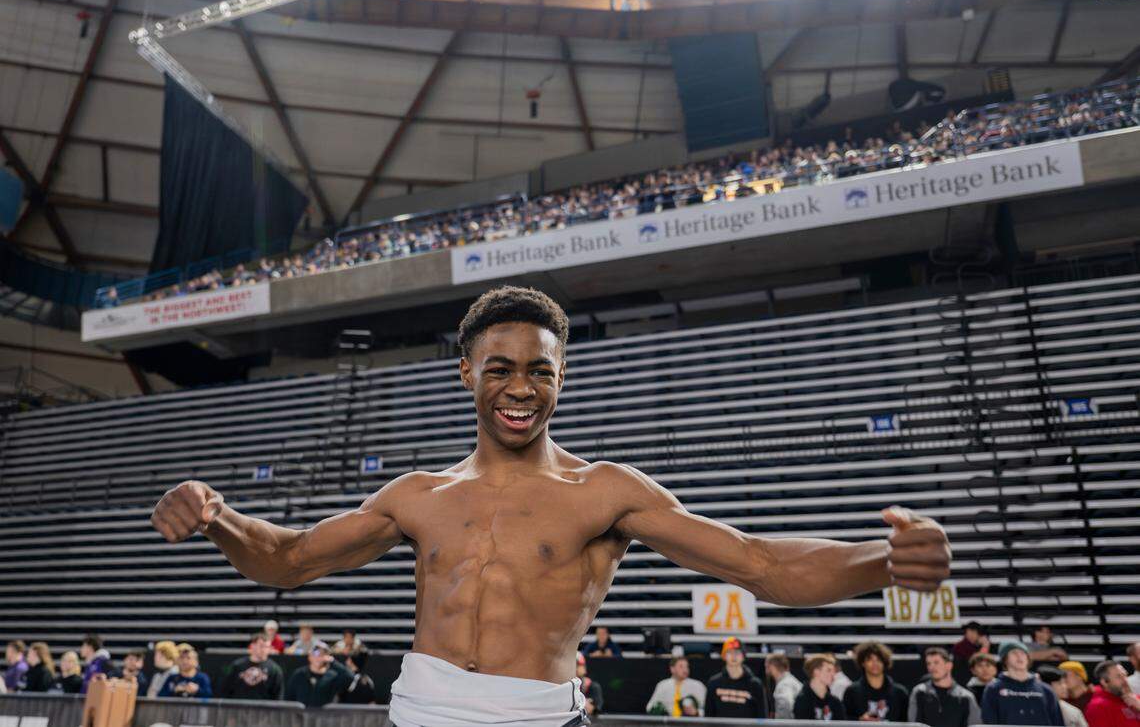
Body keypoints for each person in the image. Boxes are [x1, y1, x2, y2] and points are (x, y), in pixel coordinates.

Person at [151, 286, 952, 727]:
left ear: (561, 376)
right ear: (466, 373)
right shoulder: (417, 496)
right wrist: (219, 518)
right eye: (500, 368)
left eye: (540, 370)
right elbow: (288, 560)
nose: (521, 388)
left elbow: (761, 564)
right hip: (420, 716)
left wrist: (882, 562)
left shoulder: (604, 492)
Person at [981, 641, 1063, 726]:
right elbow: (989, 722)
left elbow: (1058, 723)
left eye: (1023, 653)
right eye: (1014, 653)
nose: (1019, 656)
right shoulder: (993, 689)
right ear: (1005, 659)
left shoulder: (1046, 690)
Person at [909, 647, 982, 727]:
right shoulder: (919, 692)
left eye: (936, 662)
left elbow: (974, 725)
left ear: (949, 665)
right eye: (928, 663)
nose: (931, 667)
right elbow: (914, 724)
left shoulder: (966, 697)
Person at [843, 640, 909, 721]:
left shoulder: (900, 693)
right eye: (870, 659)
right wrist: (860, 720)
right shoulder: (851, 691)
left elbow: (906, 721)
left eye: (879, 659)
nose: (875, 663)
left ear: (884, 662)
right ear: (863, 663)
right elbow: (845, 719)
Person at [705, 637, 768, 718]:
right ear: (724, 656)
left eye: (737, 652)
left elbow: (762, 716)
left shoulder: (755, 684)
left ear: (743, 656)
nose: (733, 656)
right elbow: (708, 715)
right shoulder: (713, 683)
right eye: (729, 652)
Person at [285, 642, 353, 708]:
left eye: (322, 654)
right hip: (301, 714)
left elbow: (350, 677)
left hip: (324, 714)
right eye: (316, 653)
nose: (318, 657)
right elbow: (288, 697)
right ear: (310, 656)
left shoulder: (332, 676)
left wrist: (333, 662)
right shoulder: (300, 674)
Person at [219, 632, 284, 701]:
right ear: (252, 646)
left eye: (267, 647)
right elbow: (225, 690)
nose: (264, 649)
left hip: (263, 707)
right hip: (239, 706)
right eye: (261, 646)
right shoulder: (237, 665)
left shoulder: (275, 669)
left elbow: (278, 696)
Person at [1085, 660, 1140, 727]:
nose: (1125, 680)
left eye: (1125, 675)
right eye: (1119, 676)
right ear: (1104, 682)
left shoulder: (1136, 699)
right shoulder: (1097, 707)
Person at [795, 653, 847, 721]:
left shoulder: (835, 702)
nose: (833, 674)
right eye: (828, 670)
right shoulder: (802, 700)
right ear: (816, 671)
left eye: (834, 671)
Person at [767, 651, 804, 719]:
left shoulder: (784, 684)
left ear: (772, 667)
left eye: (766, 666)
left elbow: (786, 705)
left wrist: (783, 723)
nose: (766, 669)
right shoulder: (789, 680)